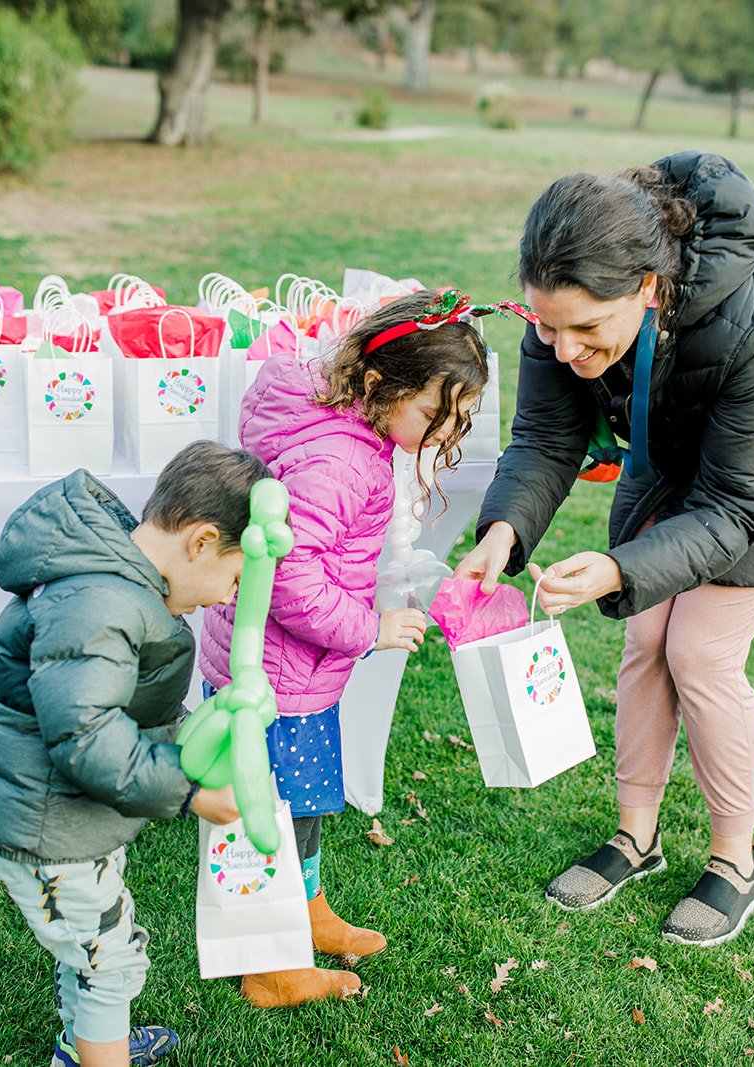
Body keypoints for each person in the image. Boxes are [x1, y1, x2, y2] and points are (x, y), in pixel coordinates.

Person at [456, 153, 754, 947]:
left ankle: (735, 863)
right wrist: (504, 531)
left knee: (700, 653)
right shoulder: (560, 308)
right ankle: (635, 839)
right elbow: (547, 434)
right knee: (645, 636)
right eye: (548, 325)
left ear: (648, 288)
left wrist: (618, 567)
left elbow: (735, 504)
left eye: (587, 330)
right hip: (674, 450)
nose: (566, 347)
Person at [200, 289, 501, 1005]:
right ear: (376, 383)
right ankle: (271, 965)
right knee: (271, 818)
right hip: (281, 675)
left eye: (456, 420)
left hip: (290, 670)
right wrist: (371, 629)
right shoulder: (341, 459)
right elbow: (288, 577)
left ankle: (308, 912)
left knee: (299, 805)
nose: (441, 435)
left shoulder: (340, 428)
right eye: (435, 415)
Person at [0, 441, 271, 1067]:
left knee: (94, 946)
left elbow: (126, 711)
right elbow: (85, 738)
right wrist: (188, 791)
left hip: (70, 817)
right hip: (49, 822)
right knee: (109, 959)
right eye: (235, 578)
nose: (227, 598)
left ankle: (90, 1046)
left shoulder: (129, 587)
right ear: (202, 542)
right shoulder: (102, 603)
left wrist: (196, 731)